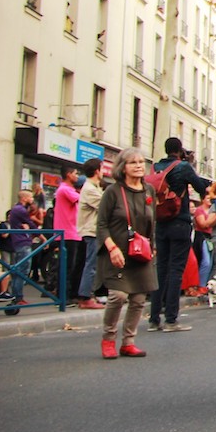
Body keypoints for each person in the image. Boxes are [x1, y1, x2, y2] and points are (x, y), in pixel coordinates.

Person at [95, 148, 158, 359]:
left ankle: (128, 342)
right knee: (117, 295)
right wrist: (111, 248)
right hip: (117, 251)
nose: (139, 165)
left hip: (141, 252)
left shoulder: (149, 190)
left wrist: (153, 245)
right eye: (133, 162)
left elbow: (153, 221)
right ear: (123, 167)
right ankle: (108, 339)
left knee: (139, 298)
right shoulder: (113, 191)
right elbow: (102, 224)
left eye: (141, 162)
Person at [148, 137, 210, 333]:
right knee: (176, 270)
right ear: (180, 150)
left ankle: (153, 318)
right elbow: (202, 188)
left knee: (161, 269)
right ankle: (171, 319)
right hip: (180, 221)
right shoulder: (183, 167)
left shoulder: (156, 167)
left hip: (161, 222)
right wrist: (190, 164)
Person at [76, 158, 106, 309]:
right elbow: (104, 206)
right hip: (91, 230)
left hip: (94, 230)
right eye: (101, 168)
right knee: (91, 264)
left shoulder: (94, 187)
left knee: (94, 264)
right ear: (96, 171)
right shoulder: (89, 189)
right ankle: (86, 296)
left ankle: (90, 294)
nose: (103, 172)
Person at [54, 166, 84, 302]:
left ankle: (65, 295)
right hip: (67, 233)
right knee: (67, 266)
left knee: (69, 266)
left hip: (72, 232)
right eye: (75, 173)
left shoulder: (68, 189)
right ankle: (62, 296)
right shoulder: (65, 189)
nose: (77, 176)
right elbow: (83, 199)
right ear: (68, 174)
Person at [5, 190, 36, 312]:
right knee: (22, 270)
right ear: (24, 198)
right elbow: (31, 224)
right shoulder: (20, 210)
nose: (32, 199)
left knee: (19, 270)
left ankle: (17, 296)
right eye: (31, 197)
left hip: (20, 242)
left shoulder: (17, 210)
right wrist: (43, 237)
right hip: (22, 242)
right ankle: (17, 297)